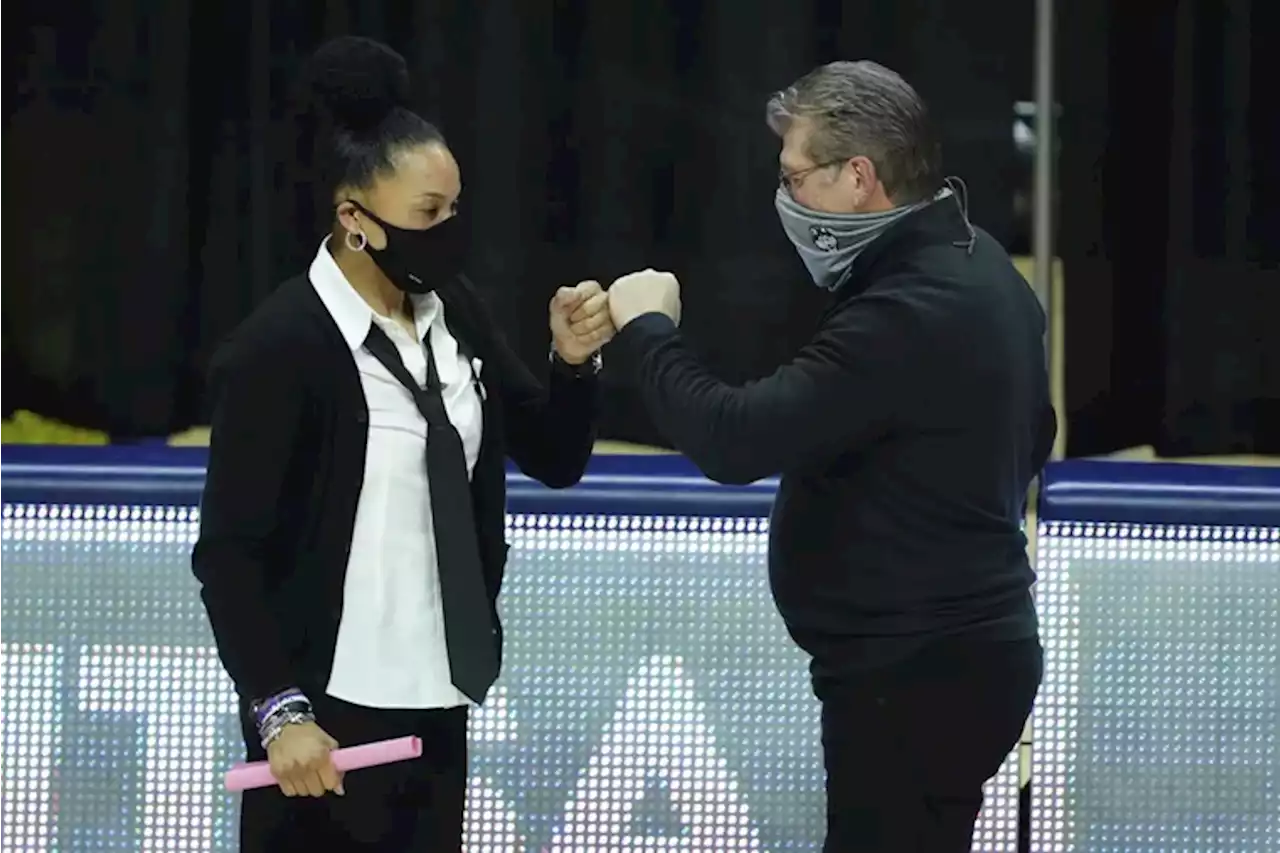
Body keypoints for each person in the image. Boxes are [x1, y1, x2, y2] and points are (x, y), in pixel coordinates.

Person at [601, 61, 1056, 852]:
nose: (785, 198)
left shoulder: (911, 310)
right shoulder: (979, 266)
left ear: (858, 177)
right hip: (959, 656)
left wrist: (647, 330)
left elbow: (734, 438)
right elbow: (1037, 434)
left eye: (795, 177)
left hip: (918, 672)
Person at [191, 37, 612, 852]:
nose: (448, 231)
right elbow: (230, 556)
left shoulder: (454, 310)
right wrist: (280, 711)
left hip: (436, 705)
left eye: (454, 209)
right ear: (354, 218)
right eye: (427, 214)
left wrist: (571, 361)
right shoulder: (276, 351)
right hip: (323, 725)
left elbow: (555, 458)